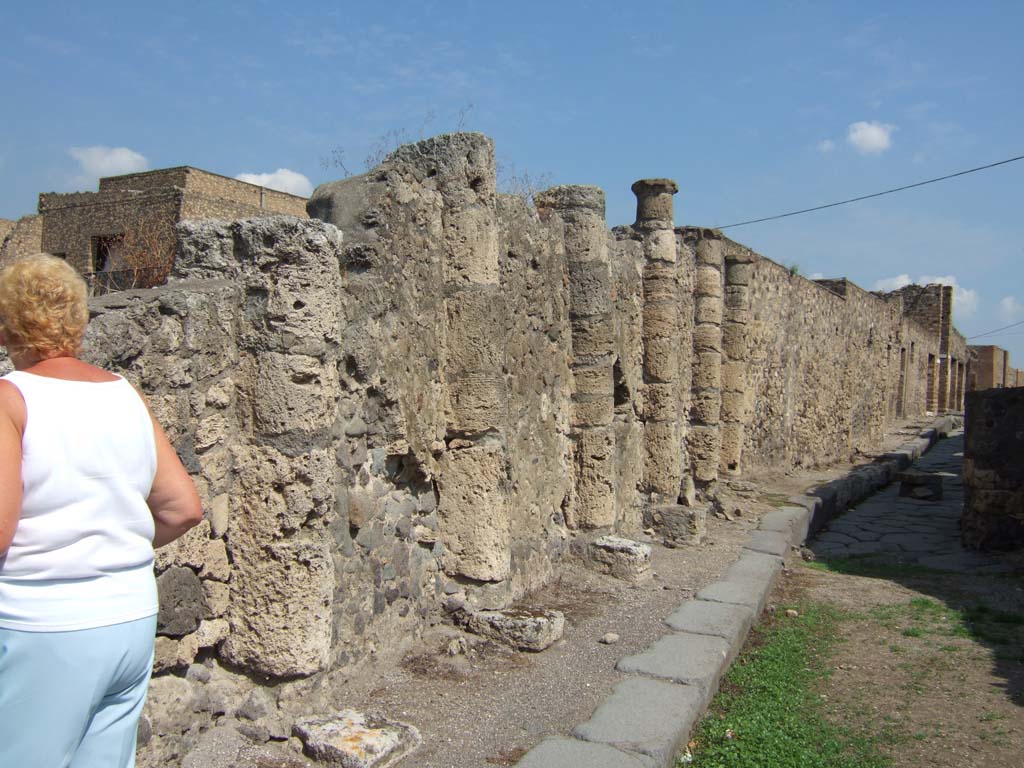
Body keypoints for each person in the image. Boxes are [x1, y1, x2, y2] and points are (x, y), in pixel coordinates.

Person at [0, 254, 204, 767]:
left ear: (7, 327)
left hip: (41, 623)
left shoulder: (10, 399)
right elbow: (183, 508)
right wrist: (110, 547)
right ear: (79, 320)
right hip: (129, 615)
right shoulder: (123, 394)